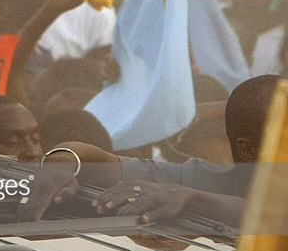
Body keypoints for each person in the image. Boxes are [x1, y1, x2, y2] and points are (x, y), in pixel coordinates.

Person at [17, 75, 286, 227]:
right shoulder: (202, 178)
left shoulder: (190, 190)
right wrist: (61, 161)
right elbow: (95, 162)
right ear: (248, 149)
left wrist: (191, 199)